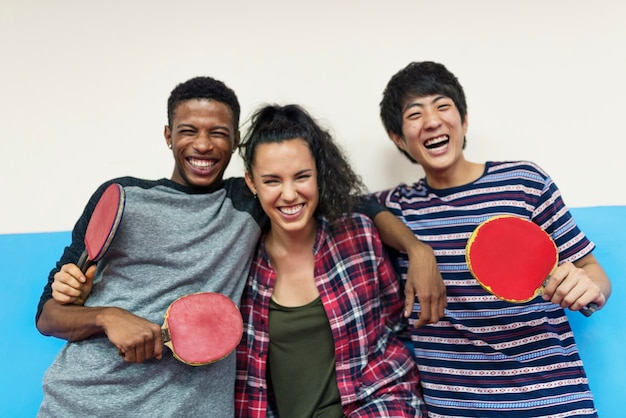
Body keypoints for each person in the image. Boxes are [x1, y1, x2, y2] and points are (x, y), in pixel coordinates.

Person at [37, 77, 442, 417]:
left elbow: (351, 200)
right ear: (167, 135)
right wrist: (107, 316)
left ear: (233, 145)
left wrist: (416, 248)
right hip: (84, 401)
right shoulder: (122, 197)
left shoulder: (246, 203)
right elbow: (48, 314)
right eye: (188, 131)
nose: (202, 145)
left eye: (217, 133)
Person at [373, 60, 612, 417]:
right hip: (454, 409)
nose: (432, 121)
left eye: (442, 106)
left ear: (464, 119)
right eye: (414, 114)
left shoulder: (524, 182)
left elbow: (593, 272)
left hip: (553, 402)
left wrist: (591, 288)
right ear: (398, 138)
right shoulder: (397, 207)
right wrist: (417, 249)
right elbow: (349, 202)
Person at [235, 104, 427, 417]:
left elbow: (395, 326)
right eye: (272, 181)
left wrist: (418, 249)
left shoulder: (358, 235)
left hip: (375, 407)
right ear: (252, 183)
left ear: (318, 174)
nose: (289, 194)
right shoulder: (241, 260)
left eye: (301, 177)